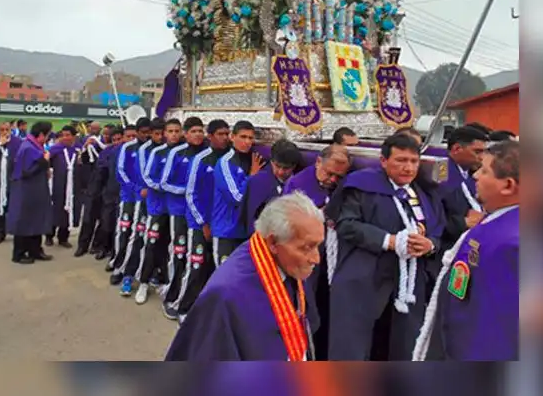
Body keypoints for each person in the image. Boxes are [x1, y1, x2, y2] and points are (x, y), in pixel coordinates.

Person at [165, 192, 324, 361]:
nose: (316, 258)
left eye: (318, 246)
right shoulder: (226, 296)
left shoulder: (290, 263)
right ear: (273, 243)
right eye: (307, 247)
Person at [327, 133, 444, 360]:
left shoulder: (424, 194)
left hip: (407, 286)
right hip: (364, 279)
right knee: (352, 347)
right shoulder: (361, 186)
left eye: (413, 161)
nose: (408, 168)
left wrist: (429, 245)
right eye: (401, 160)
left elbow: (439, 232)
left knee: (404, 344)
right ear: (383, 161)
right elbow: (346, 225)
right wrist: (389, 241)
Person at [414, 140, 520, 361]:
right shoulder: (496, 224)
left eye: (484, 170)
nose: (475, 176)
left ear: (508, 185)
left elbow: (499, 328)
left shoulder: (513, 243)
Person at [283, 144, 352, 360]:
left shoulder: (344, 186)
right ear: (318, 162)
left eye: (338, 176)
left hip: (332, 259)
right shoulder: (297, 185)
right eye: (329, 173)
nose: (332, 179)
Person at [169, 119, 231, 323]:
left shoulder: (230, 158)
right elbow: (190, 194)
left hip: (221, 224)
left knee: (213, 269)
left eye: (227, 134)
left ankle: (205, 308)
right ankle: (181, 306)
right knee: (194, 266)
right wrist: (202, 222)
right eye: (220, 134)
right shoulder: (201, 159)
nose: (225, 138)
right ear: (210, 136)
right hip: (199, 223)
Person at [159, 116, 207, 320]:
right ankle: (172, 295)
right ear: (185, 134)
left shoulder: (207, 153)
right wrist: (187, 190)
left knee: (194, 259)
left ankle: (189, 297)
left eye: (200, 131)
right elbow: (164, 183)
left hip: (200, 213)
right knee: (178, 253)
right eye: (193, 131)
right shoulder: (177, 153)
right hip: (179, 211)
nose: (197, 135)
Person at [135, 118, 183, 304]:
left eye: (177, 131)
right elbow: (147, 176)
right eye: (170, 131)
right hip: (157, 207)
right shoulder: (156, 152)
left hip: (177, 209)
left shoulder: (184, 152)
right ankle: (144, 283)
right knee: (151, 244)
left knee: (172, 246)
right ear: (164, 133)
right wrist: (164, 187)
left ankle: (168, 282)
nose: (174, 135)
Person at [117, 118, 162, 296]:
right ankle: (127, 274)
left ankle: (150, 273)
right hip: (141, 200)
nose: (158, 136)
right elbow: (138, 174)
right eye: (154, 133)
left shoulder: (167, 150)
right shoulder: (139, 149)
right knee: (136, 237)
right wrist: (139, 189)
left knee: (155, 241)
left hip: (161, 204)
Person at [211, 121, 265, 265]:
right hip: (226, 231)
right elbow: (236, 197)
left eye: (250, 138)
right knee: (223, 280)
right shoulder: (225, 163)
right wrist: (252, 176)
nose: (247, 142)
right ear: (232, 137)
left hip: (245, 232)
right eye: (243, 137)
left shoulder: (255, 160)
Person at [110, 119, 151, 286]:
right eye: (142, 132)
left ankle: (136, 268)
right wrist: (136, 189)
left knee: (140, 235)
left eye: (148, 131)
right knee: (124, 232)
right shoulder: (127, 148)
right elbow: (121, 173)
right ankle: (118, 266)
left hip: (146, 200)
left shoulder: (153, 148)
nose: (145, 135)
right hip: (129, 198)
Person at [7, 121, 54, 264]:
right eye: (47, 135)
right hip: (26, 190)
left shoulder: (34, 145)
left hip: (36, 189)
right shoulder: (28, 147)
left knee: (37, 220)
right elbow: (27, 170)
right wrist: (44, 161)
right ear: (40, 134)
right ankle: (19, 254)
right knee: (24, 221)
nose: (47, 138)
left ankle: (35, 250)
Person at [439, 126, 489, 250]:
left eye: (484, 152)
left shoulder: (472, 175)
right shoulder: (440, 173)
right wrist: (463, 222)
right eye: (477, 152)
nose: (482, 157)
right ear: (456, 149)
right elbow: (432, 217)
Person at [241, 139, 302, 236]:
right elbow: (248, 217)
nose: (281, 172)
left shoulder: (301, 185)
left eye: (286, 168)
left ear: (294, 166)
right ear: (271, 161)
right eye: (277, 166)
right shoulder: (257, 182)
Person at [75, 124, 114, 257]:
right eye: (106, 133)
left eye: (110, 135)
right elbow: (82, 162)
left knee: (104, 219)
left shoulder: (114, 150)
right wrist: (85, 148)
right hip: (93, 187)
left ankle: (96, 245)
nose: (107, 136)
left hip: (107, 188)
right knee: (88, 218)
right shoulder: (93, 144)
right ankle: (82, 246)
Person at [47, 125, 79, 248]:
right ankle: (49, 235)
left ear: (73, 136)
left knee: (68, 211)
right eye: (63, 135)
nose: (65, 138)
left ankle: (63, 237)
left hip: (72, 186)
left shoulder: (78, 149)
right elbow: (47, 161)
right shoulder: (56, 148)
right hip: (58, 184)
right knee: (55, 209)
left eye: (68, 135)